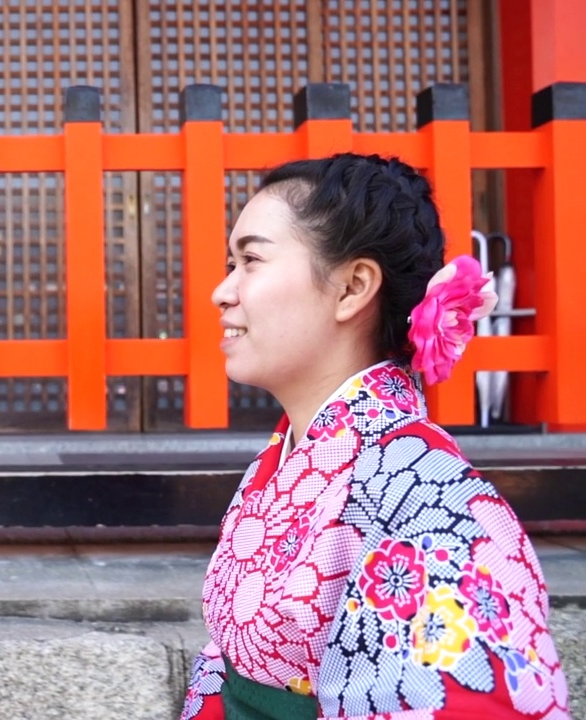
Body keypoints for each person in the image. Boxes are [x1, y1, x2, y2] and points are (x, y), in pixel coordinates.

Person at [182, 153, 571, 719]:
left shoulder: (429, 498)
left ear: (352, 287)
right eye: (230, 264)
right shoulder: (291, 458)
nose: (222, 291)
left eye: (250, 261)